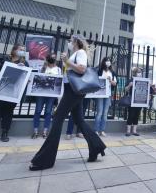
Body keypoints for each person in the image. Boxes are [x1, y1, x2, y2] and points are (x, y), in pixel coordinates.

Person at [29, 34, 106, 171]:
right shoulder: (75, 53)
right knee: (79, 120)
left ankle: (45, 160)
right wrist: (67, 62)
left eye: (71, 40)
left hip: (73, 90)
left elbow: (82, 69)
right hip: (71, 89)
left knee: (58, 118)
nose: (69, 42)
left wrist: (67, 61)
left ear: (76, 41)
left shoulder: (80, 52)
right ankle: (96, 146)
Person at [0, 44, 29, 144]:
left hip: (12, 92)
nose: (22, 51)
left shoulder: (24, 62)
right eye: (20, 49)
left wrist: (23, 69)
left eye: (23, 50)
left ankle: (5, 133)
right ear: (14, 49)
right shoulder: (3, 58)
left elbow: (26, 77)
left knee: (8, 113)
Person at [32, 54, 61, 139]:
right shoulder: (42, 67)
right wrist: (44, 67)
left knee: (48, 112)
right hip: (40, 93)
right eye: (51, 57)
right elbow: (37, 78)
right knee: (38, 110)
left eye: (54, 58)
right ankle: (35, 131)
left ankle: (45, 131)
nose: (52, 59)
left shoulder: (58, 69)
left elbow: (59, 81)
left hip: (51, 94)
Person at [94, 57, 117, 137]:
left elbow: (114, 83)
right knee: (99, 112)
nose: (108, 62)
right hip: (100, 94)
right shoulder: (99, 71)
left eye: (109, 61)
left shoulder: (112, 72)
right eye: (106, 61)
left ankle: (102, 130)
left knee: (105, 113)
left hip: (108, 94)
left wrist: (110, 80)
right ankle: (96, 130)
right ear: (103, 62)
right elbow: (95, 80)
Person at [124, 67, 143, 136]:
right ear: (135, 73)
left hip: (140, 100)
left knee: (137, 115)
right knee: (131, 115)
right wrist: (129, 85)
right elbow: (125, 90)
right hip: (132, 101)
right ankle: (128, 131)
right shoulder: (130, 80)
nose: (139, 74)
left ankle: (134, 131)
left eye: (140, 72)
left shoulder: (142, 81)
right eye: (138, 72)